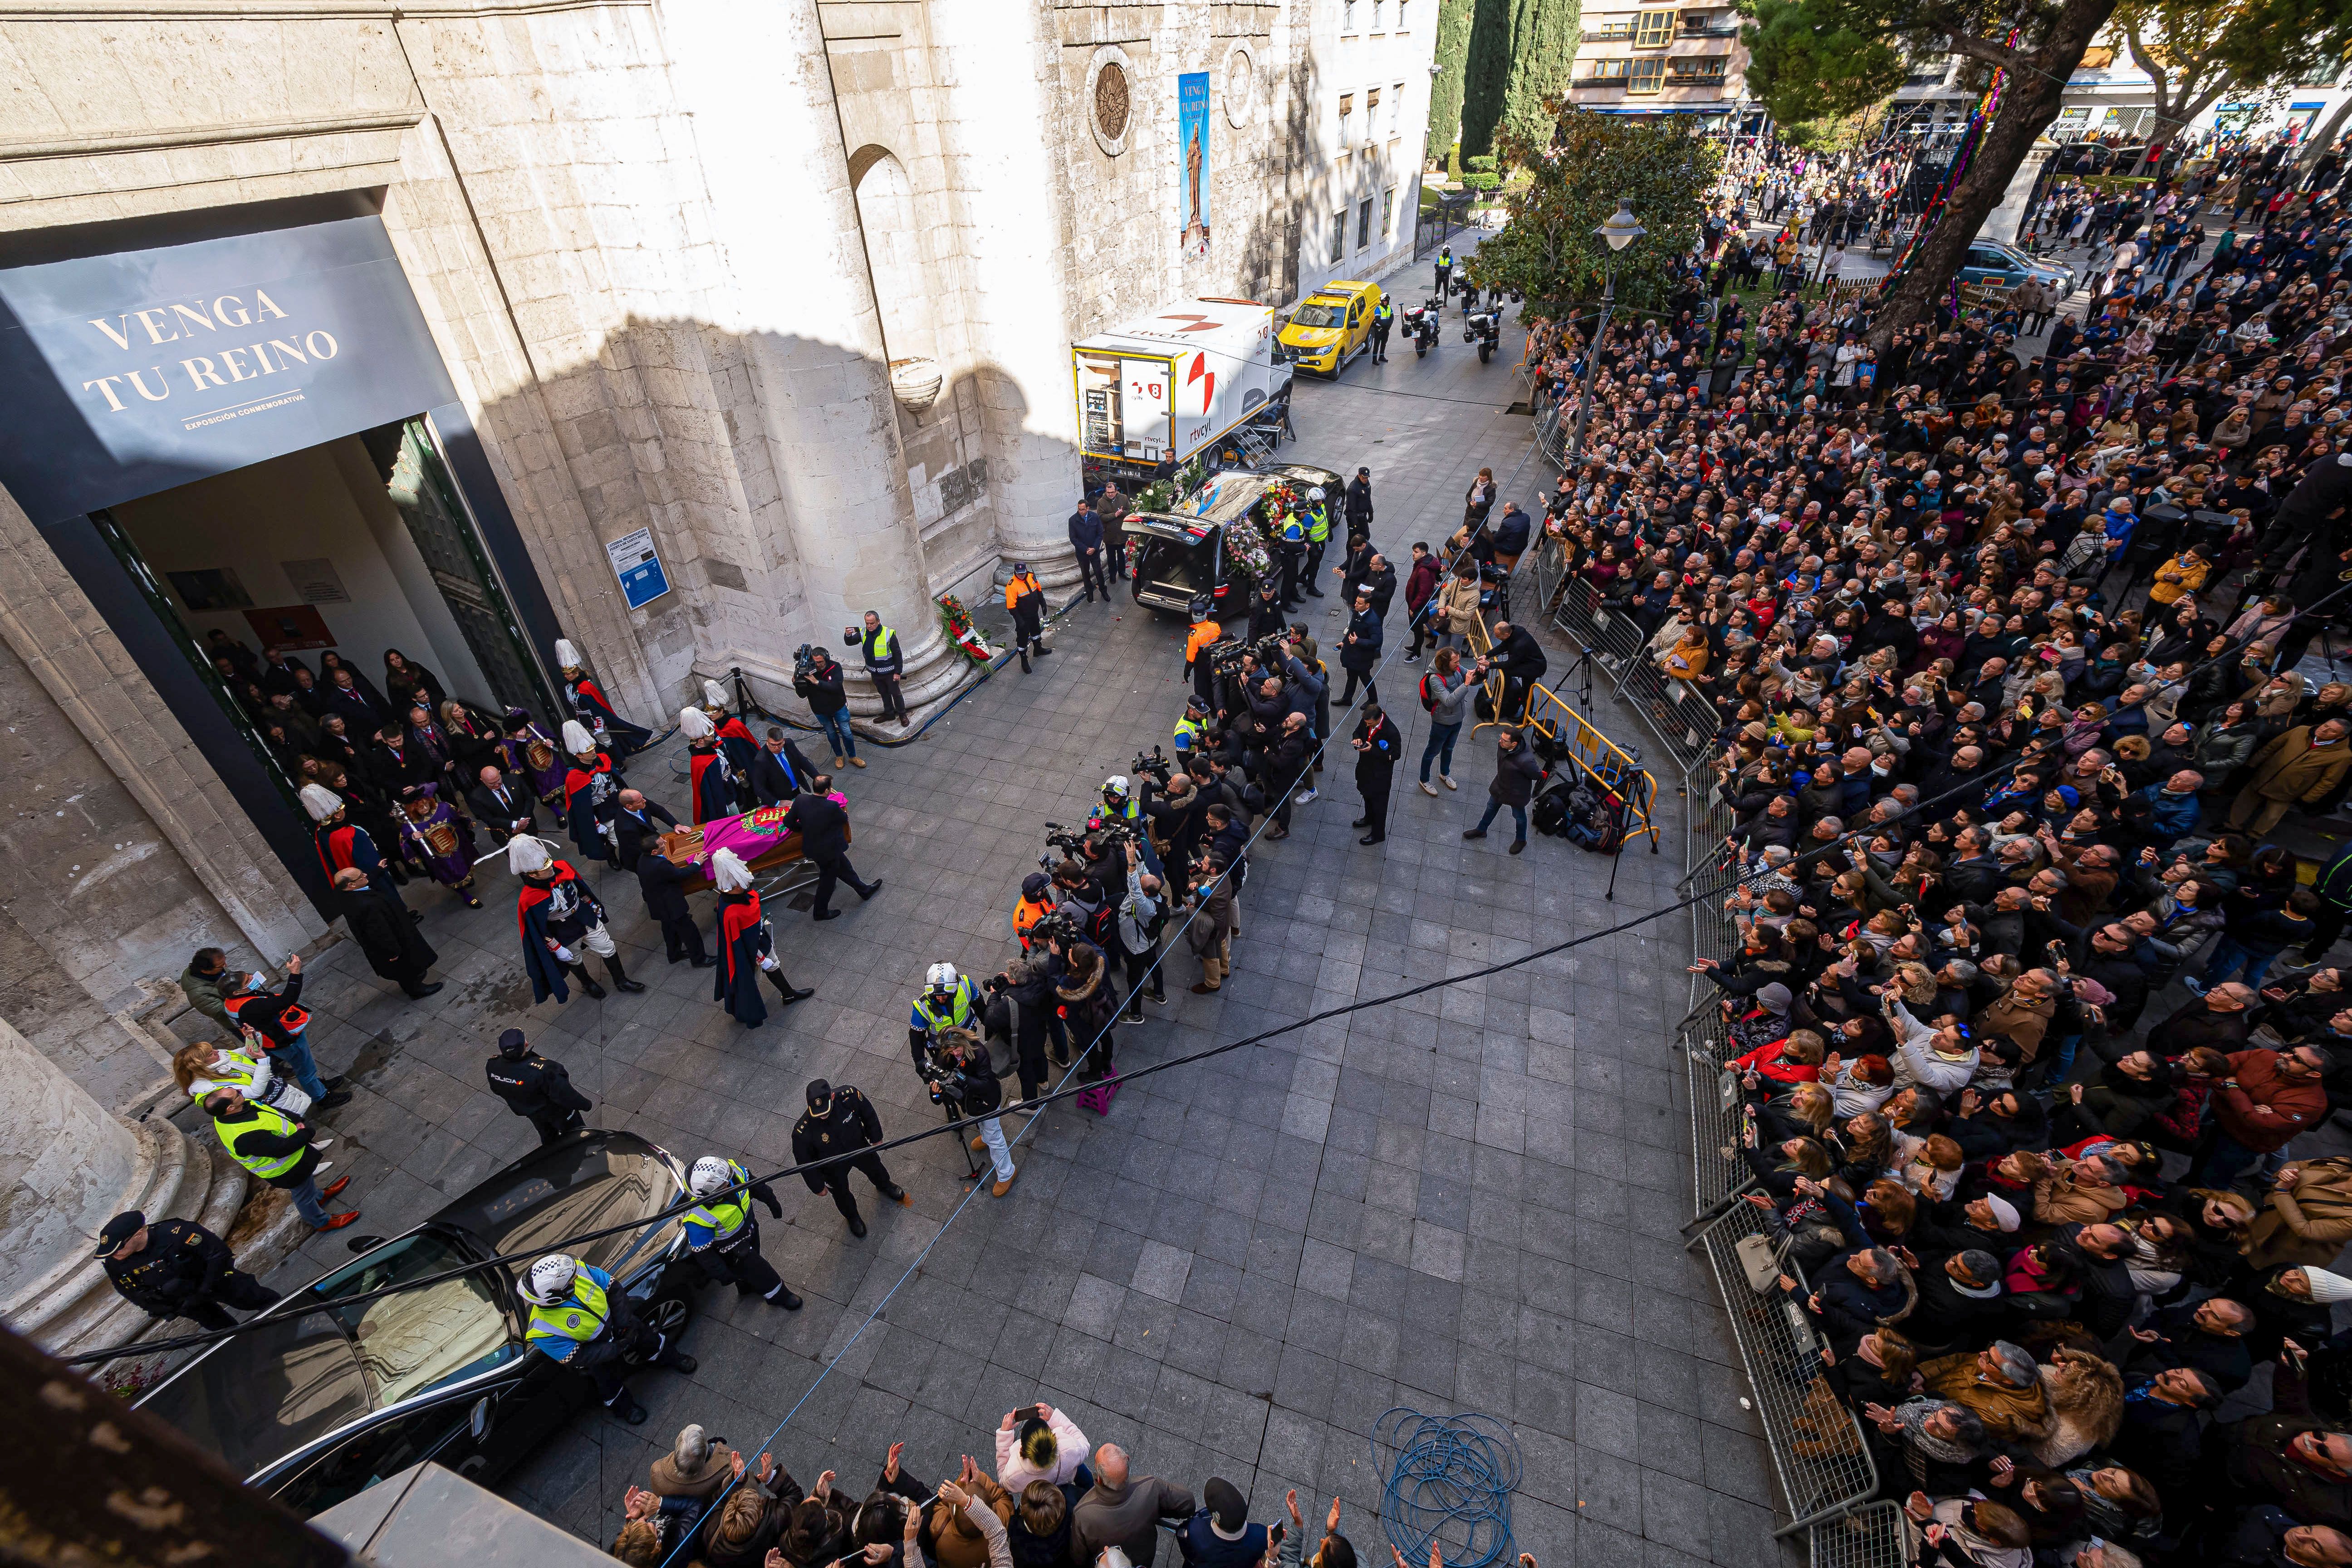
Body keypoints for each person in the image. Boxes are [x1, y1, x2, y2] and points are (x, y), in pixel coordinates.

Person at [518, 1252, 696, 1426]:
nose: (575, 1280)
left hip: (621, 1324)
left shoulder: (577, 1270)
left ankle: (672, 1358)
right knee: (609, 1385)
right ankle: (625, 1408)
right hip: (598, 1353)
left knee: (651, 1341)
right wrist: (618, 1347)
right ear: (554, 1297)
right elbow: (578, 1356)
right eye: (570, 1283)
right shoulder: (542, 1330)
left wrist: (624, 1325)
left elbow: (614, 1290)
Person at [509, 834, 645, 1003]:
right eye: (545, 869)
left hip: (584, 916)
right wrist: (556, 947)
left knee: (607, 947)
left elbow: (580, 889)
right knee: (574, 959)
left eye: (550, 863)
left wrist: (593, 906)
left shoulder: (562, 867)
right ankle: (587, 983)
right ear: (533, 875)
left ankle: (621, 980)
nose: (551, 869)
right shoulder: (528, 898)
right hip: (561, 931)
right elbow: (537, 929)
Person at [201, 1084, 356, 1232]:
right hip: (287, 1170)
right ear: (230, 1108)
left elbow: (272, 1112)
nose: (240, 1090)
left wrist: (296, 1119)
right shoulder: (243, 1136)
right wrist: (306, 1133)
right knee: (303, 1196)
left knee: (307, 1186)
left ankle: (320, 1196)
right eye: (237, 1094)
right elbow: (281, 1149)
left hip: (296, 1160)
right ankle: (321, 1222)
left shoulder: (237, 1108)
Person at [97, 1210, 277, 1331]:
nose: (114, 1255)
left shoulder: (179, 1233)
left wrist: (203, 1289)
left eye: (118, 1248)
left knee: (258, 1300)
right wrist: (157, 1306)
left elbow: (219, 1255)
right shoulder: (116, 1262)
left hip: (216, 1282)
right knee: (221, 1330)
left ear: (138, 1235)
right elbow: (124, 1287)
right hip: (184, 1302)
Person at [218, 954, 345, 1108]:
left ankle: (319, 1085)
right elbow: (287, 1000)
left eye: (248, 976)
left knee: (305, 1068)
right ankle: (322, 1097)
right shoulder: (249, 1007)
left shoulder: (232, 1002)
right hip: (285, 1042)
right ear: (237, 993)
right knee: (306, 1070)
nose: (252, 978)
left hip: (272, 1040)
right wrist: (295, 974)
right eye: (247, 980)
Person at [790, 1078, 909, 1238]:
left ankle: (885, 1185)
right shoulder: (802, 1131)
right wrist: (817, 1186)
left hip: (858, 1148)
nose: (823, 1116)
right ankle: (852, 1216)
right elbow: (804, 1162)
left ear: (832, 1097)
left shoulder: (849, 1097)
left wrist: (876, 1138)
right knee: (841, 1193)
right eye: (819, 1113)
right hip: (831, 1165)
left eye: (826, 1111)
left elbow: (868, 1114)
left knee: (876, 1168)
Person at [683, 1154, 802, 1310]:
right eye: (723, 1186)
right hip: (733, 1249)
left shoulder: (732, 1174)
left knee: (751, 1266)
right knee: (763, 1272)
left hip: (750, 1228)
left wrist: (772, 1202)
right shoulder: (698, 1218)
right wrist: (723, 1275)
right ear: (709, 1195)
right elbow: (704, 1254)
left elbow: (757, 1186)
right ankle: (779, 1296)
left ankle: (745, 1287)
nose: (729, 1184)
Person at [710, 848, 813, 1025]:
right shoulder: (732, 913)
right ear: (734, 885)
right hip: (751, 952)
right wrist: (760, 958)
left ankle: (788, 993)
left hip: (760, 940)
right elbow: (740, 943)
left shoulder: (738, 897)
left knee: (772, 966)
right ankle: (743, 1010)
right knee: (748, 981)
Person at [1068, 1444, 1194, 1568]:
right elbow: (1187, 1503)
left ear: (1100, 1479)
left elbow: (1079, 1558)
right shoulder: (1150, 1487)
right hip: (1145, 1558)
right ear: (1128, 1458)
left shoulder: (1082, 1514)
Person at [930, 1028, 1018, 1197]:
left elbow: (986, 1083)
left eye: (957, 1049)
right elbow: (940, 1076)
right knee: (983, 1127)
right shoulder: (946, 1054)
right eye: (950, 1050)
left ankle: (1007, 1173)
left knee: (995, 1136)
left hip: (987, 1101)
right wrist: (936, 1089)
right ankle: (985, 1138)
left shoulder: (979, 1052)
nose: (954, 1053)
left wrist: (960, 1077)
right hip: (969, 1103)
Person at [779, 774, 881, 920]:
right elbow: (843, 819)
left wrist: (805, 828)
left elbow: (788, 822)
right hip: (828, 851)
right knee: (827, 881)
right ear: (827, 791)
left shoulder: (801, 800)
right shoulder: (831, 806)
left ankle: (864, 890)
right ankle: (820, 912)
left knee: (846, 868)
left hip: (816, 848)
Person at [330, 867, 443, 998]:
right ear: (351, 885)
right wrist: (393, 951)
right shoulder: (366, 905)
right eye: (362, 876)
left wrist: (378, 870)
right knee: (409, 968)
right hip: (394, 938)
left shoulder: (343, 892)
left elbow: (365, 881)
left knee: (402, 969)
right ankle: (416, 990)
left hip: (384, 938)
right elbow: (379, 931)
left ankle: (411, 986)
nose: (366, 875)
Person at [301, 781, 409, 911]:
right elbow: (369, 863)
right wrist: (381, 871)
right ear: (337, 814)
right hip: (370, 878)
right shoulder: (351, 834)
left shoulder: (321, 832)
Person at [486, 1027, 594, 1145]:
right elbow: (565, 1094)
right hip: (558, 1112)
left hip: (533, 1113)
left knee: (548, 1136)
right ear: (526, 1044)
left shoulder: (492, 1066)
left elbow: (496, 1089)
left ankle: (552, 1156)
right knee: (576, 1134)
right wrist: (586, 1105)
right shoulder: (544, 1070)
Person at [554, 638, 652, 756]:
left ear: (576, 673)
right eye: (565, 674)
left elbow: (597, 708)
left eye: (569, 673)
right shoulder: (569, 688)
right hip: (584, 720)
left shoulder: (585, 687)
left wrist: (599, 724)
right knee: (599, 741)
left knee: (606, 740)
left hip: (594, 718)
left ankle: (619, 761)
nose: (567, 676)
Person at [637, 827, 716, 967]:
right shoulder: (659, 865)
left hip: (658, 905)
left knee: (669, 929)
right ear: (654, 851)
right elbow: (680, 875)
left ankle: (674, 954)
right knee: (690, 932)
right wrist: (697, 863)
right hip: (670, 906)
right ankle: (699, 959)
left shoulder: (644, 859)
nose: (665, 843)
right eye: (662, 844)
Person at [1464, 726, 1542, 855]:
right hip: (1500, 786)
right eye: (1501, 737)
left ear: (1514, 744)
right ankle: (1482, 830)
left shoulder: (1526, 761)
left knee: (1519, 817)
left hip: (1516, 793)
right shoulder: (1503, 746)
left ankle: (1521, 840)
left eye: (1504, 740)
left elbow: (1536, 774)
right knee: (1491, 808)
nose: (1500, 741)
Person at [1417, 647, 1475, 795]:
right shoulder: (1435, 679)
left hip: (1457, 718)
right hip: (1442, 722)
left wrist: (1480, 672)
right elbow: (1449, 701)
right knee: (1432, 751)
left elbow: (1469, 675)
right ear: (1446, 663)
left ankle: (1445, 773)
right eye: (1455, 662)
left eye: (1458, 661)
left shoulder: (1455, 667)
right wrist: (1466, 684)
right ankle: (1424, 780)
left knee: (1449, 748)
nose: (1459, 664)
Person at [794, 646, 862, 768]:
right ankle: (839, 756)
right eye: (815, 662)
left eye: (820, 662)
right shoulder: (807, 671)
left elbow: (836, 687)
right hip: (820, 710)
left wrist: (817, 682)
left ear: (826, 658)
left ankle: (853, 757)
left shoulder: (835, 667)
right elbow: (802, 695)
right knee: (831, 734)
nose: (818, 665)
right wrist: (797, 684)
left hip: (838, 707)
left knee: (846, 733)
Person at [681, 705, 740, 823]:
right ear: (701, 741)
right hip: (725, 797)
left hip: (730, 787)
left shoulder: (715, 747)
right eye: (710, 736)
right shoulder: (703, 763)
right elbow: (714, 790)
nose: (713, 736)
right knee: (737, 819)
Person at [1352, 701, 1398, 845]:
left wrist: (1372, 750)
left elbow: (1395, 755)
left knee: (1380, 805)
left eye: (1370, 723)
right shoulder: (1367, 720)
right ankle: (1369, 818)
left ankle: (1378, 834)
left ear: (1379, 719)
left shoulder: (1391, 732)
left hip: (1380, 776)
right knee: (1367, 795)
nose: (1367, 725)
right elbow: (1358, 731)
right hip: (1365, 769)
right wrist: (1357, 739)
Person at [468, 763, 540, 848]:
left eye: (498, 781)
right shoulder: (477, 797)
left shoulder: (515, 779)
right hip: (505, 835)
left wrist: (523, 821)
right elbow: (489, 819)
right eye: (492, 784)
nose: (497, 785)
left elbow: (529, 799)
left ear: (499, 773)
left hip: (529, 828)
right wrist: (515, 825)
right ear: (483, 781)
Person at [862, 609, 911, 726]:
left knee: (896, 694)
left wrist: (898, 672)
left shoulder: (889, 634)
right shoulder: (864, 632)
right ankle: (889, 714)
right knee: (884, 694)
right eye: (867, 623)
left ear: (878, 622)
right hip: (875, 673)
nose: (869, 626)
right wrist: (848, 635)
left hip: (889, 672)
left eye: (872, 623)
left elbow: (898, 655)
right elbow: (850, 642)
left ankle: (902, 715)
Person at [751, 726, 818, 806]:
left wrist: (820, 780)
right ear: (767, 742)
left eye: (779, 744)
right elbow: (759, 788)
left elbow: (803, 762)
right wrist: (777, 803)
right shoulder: (761, 760)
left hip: (796, 791)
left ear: (783, 741)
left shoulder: (789, 744)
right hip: (780, 798)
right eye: (773, 745)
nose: (776, 748)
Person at [1338, 592, 1383, 707]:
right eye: (1357, 601)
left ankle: (1373, 700)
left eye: (1359, 603)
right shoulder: (1356, 613)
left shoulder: (1373, 621)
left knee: (1365, 678)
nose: (1356, 604)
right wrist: (1344, 641)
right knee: (1351, 677)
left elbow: (1377, 642)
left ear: (1367, 605)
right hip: (1352, 653)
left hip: (1363, 657)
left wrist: (1358, 641)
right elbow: (1351, 630)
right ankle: (1347, 699)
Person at [1006, 560, 1051, 672]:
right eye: (1019, 574)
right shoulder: (1012, 586)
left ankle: (1038, 649)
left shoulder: (1031, 576)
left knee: (1036, 632)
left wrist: (1043, 604)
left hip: (1034, 613)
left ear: (1026, 570)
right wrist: (1019, 620)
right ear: (1015, 572)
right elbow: (1011, 606)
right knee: (1022, 639)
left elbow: (1039, 591)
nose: (1021, 576)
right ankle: (1024, 659)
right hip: (1023, 617)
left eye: (1023, 573)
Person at [1068, 498, 1111, 603]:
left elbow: (1100, 533)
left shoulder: (1094, 517)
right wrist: (1085, 549)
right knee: (1085, 573)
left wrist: (1095, 548)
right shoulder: (1073, 520)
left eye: (1083, 509)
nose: (1081, 511)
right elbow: (1073, 538)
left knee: (1098, 571)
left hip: (1094, 551)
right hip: (1082, 553)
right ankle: (1089, 592)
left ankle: (1103, 590)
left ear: (1088, 508)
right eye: (1079, 509)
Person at [1369, 299, 1393, 363]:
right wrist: (1385, 325)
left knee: (1384, 343)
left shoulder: (1389, 308)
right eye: (1385, 301)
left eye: (1387, 301)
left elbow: (1392, 317)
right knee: (1377, 345)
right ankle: (1374, 360)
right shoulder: (1378, 308)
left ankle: (1382, 357)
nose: (1386, 302)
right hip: (1379, 330)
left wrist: (1389, 325)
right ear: (1382, 301)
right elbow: (1378, 319)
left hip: (1386, 330)